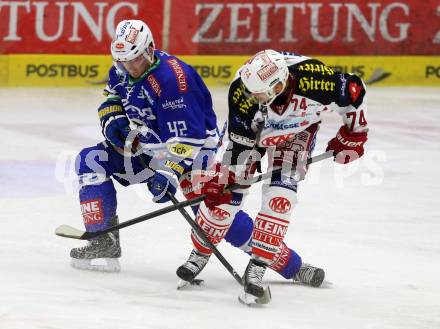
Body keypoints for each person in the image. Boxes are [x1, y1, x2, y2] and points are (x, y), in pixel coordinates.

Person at [70, 20, 314, 285]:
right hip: (150, 146)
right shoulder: (123, 68)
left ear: (149, 49)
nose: (128, 68)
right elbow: (112, 98)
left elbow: (188, 140)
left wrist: (165, 174)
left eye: (135, 60)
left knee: (216, 216)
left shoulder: (174, 80)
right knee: (90, 161)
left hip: (194, 152)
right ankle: (102, 240)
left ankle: (290, 265)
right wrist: (112, 119)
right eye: (122, 62)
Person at [177, 50, 368, 302]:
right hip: (255, 132)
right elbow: (240, 147)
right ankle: (200, 253)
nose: (252, 97)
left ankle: (258, 265)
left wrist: (354, 134)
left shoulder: (317, 81)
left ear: (279, 84)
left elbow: (354, 91)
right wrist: (226, 179)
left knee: (281, 200)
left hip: (298, 131)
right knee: (223, 198)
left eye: (259, 93)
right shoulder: (241, 91)